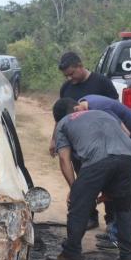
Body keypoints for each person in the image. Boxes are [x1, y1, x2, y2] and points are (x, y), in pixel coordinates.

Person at [48, 98, 131, 260]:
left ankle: (71, 254)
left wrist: (74, 188)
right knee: (125, 208)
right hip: (128, 157)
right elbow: (126, 134)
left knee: (78, 206)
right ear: (75, 107)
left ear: (58, 118)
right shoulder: (103, 113)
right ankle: (127, 257)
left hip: (98, 160)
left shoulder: (63, 123)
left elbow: (64, 158)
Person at [50, 52, 120, 228]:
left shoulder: (102, 83)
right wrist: (54, 139)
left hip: (103, 141)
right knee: (84, 180)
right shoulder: (66, 87)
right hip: (78, 143)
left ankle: (111, 219)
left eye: (72, 73)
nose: (69, 78)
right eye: (66, 75)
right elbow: (61, 117)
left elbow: (114, 110)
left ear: (80, 66)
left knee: (108, 181)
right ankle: (90, 216)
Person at [73, 95, 131, 250]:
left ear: (77, 108)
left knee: (128, 189)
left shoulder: (101, 109)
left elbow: (125, 133)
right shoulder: (84, 101)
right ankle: (114, 232)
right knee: (116, 184)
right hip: (122, 144)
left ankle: (118, 238)